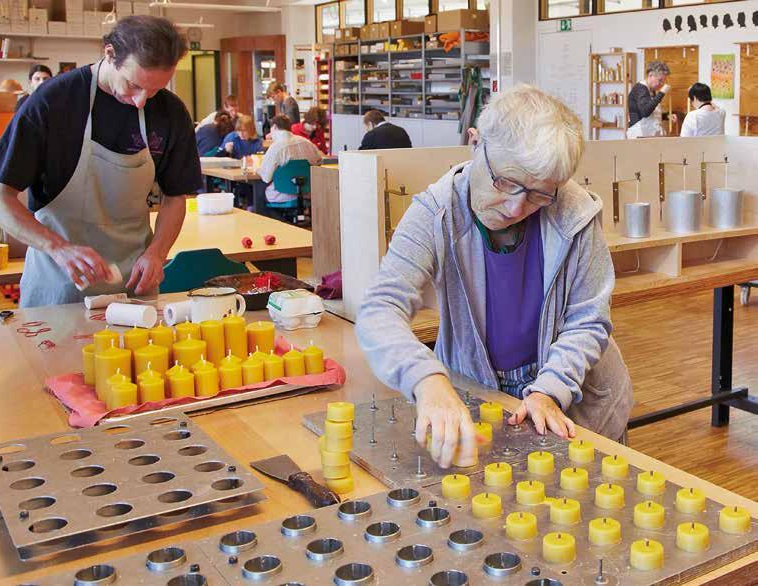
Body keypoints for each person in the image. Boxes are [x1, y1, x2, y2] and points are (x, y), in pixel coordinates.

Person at [356, 85, 633, 469]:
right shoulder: (435, 212)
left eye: (538, 195)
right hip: (481, 397)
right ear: (474, 143)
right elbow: (379, 310)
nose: (517, 207)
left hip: (575, 399)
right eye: (506, 182)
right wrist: (428, 380)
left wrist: (550, 391)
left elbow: (587, 320)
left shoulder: (575, 213)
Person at [0, 16, 202, 308]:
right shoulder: (53, 103)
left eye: (154, 90)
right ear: (109, 53)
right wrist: (58, 248)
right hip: (59, 283)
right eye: (133, 84)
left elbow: (176, 197)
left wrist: (157, 253)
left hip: (133, 287)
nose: (141, 101)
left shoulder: (170, 112)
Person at [258, 114, 322, 204]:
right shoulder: (307, 143)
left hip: (282, 195)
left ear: (274, 127)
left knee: (259, 193)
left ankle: (276, 218)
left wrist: (258, 170)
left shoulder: (276, 147)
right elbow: (319, 163)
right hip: (307, 193)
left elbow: (266, 177)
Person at [627, 60, 673, 139]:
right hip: (639, 134)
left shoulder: (651, 90)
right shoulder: (641, 88)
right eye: (660, 80)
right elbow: (645, 112)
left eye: (663, 81)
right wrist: (661, 93)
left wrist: (667, 116)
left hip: (648, 134)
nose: (661, 84)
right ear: (650, 75)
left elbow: (652, 113)